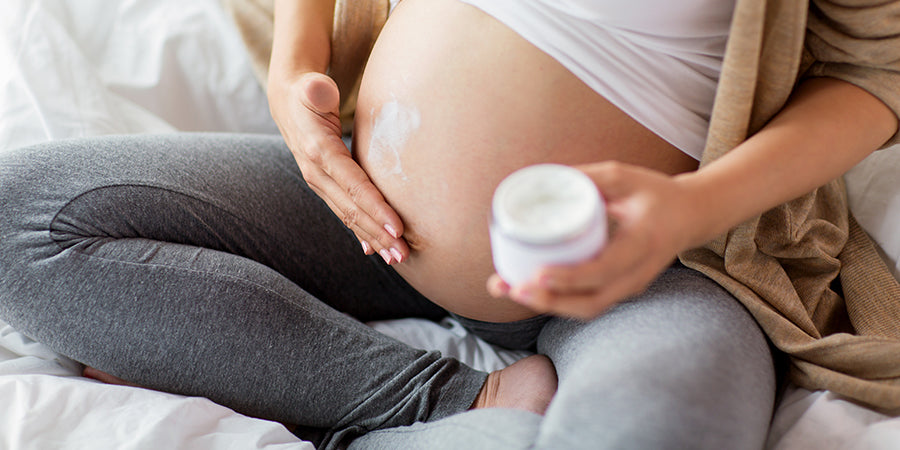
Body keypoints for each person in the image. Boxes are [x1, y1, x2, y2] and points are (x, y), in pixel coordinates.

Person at [2, 1, 899, 450]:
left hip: (645, 263)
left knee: (660, 430)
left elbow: (874, 67)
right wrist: (295, 69)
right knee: (21, 218)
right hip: (356, 207)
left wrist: (691, 208)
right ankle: (446, 406)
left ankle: (274, 380)